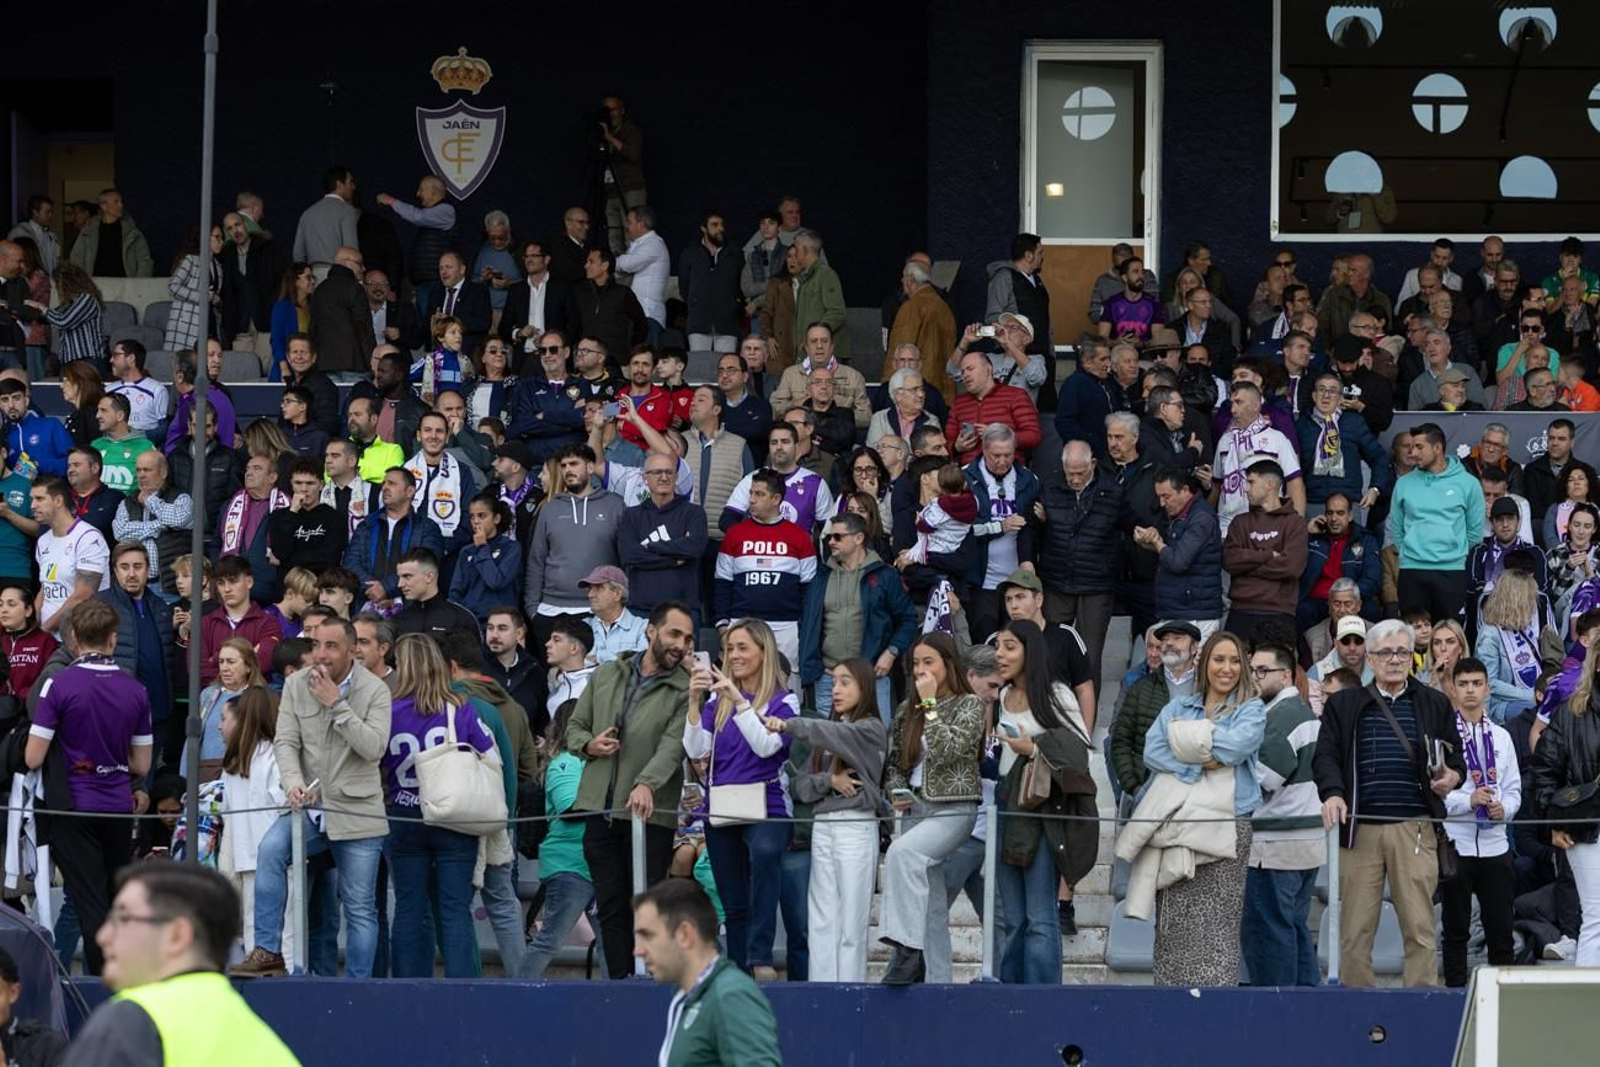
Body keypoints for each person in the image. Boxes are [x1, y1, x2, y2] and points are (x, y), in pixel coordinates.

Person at [231, 617, 391, 979]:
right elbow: (285, 742)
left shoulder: (376, 690)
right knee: (270, 850)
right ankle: (267, 951)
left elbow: (373, 748)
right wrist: (291, 782)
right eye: (316, 645)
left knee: (360, 908)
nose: (320, 654)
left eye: (331, 646)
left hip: (358, 812)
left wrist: (337, 704)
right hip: (308, 806)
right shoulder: (295, 684)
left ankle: (357, 985)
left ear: (352, 651)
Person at [1315, 618, 1466, 987]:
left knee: (1420, 927)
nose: (1395, 659)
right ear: (1370, 657)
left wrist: (1452, 778)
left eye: (1402, 651)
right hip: (1359, 829)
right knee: (1354, 931)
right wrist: (1333, 793)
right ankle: (1356, 1010)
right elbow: (1325, 756)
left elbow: (1457, 760)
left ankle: (1421, 1006)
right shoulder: (1345, 704)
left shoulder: (1434, 702)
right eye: (1386, 652)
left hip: (1414, 827)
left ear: (1411, 656)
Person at [1123, 630, 1265, 986]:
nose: (1227, 668)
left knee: (1218, 928)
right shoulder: (1177, 707)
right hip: (1177, 826)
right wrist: (1201, 761)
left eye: (1235, 660)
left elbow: (1238, 748)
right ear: (1205, 663)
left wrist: (1186, 745)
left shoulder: (1252, 709)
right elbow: (1152, 752)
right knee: (1174, 926)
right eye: (1219, 659)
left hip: (1227, 825)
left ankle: (1214, 1009)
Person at [566, 601, 696, 980]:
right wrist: (589, 745)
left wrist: (646, 783)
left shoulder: (685, 687)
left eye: (688, 639)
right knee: (609, 906)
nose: (681, 644)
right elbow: (575, 726)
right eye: (674, 633)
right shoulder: (607, 672)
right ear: (650, 631)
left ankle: (653, 985)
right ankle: (621, 987)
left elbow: (674, 745)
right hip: (599, 808)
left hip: (649, 814)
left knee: (648, 907)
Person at [25, 598, 152, 975]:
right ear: (114, 639)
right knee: (113, 900)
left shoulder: (58, 686)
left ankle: (100, 982)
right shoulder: (136, 690)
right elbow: (142, 764)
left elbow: (33, 756)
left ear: (75, 638)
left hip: (72, 807)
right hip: (116, 806)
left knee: (88, 902)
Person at [63, 865, 299, 1067]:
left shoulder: (132, 1019)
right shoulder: (261, 1040)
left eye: (122, 918)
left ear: (177, 935)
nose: (102, 936)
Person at [758, 657, 885, 983]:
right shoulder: (828, 734)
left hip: (856, 826)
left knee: (851, 924)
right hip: (823, 827)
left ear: (865, 687)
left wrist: (790, 725)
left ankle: (850, 995)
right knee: (821, 919)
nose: (836, 689)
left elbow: (829, 732)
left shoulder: (869, 728)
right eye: (835, 682)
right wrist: (829, 781)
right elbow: (801, 785)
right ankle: (824, 992)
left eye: (846, 682)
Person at [379, 634, 499, 978]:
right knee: (454, 910)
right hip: (454, 816)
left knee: (408, 909)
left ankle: (406, 987)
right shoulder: (460, 707)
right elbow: (490, 758)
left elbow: (377, 761)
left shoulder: (389, 711)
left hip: (404, 816)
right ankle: (463, 992)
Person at [682, 620, 795, 979]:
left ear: (764, 652)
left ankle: (761, 956)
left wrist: (739, 701)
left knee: (764, 855)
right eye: (730, 649)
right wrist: (694, 700)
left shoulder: (784, 699)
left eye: (743, 647)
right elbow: (695, 748)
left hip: (767, 804)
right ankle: (739, 970)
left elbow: (766, 747)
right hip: (722, 805)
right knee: (732, 899)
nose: (734, 655)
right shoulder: (719, 699)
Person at [991, 620, 1096, 985]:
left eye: (1009, 647)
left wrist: (1033, 748)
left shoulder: (1056, 694)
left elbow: (1080, 752)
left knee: (1039, 918)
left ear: (1029, 651)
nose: (1000, 655)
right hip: (1005, 809)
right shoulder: (1000, 696)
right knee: (1013, 920)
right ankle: (1012, 997)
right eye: (999, 647)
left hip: (1041, 814)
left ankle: (1041, 1000)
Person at [879, 633, 984, 985]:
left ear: (948, 665)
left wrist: (929, 706)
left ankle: (906, 949)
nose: (921, 670)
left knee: (900, 854)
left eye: (929, 662)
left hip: (955, 808)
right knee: (933, 905)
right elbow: (895, 764)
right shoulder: (904, 710)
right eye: (916, 663)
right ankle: (939, 982)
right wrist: (898, 792)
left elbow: (947, 750)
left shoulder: (969, 704)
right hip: (915, 808)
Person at [633, 877, 781, 1067]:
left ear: (685, 934)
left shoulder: (731, 995)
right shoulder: (690, 996)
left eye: (648, 935)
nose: (638, 950)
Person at [1241, 642, 1322, 987]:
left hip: (1277, 844)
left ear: (1286, 674)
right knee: (1292, 925)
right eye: (1253, 670)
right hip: (1301, 840)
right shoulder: (1296, 711)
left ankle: (1278, 1010)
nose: (1255, 678)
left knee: (1268, 931)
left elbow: (1262, 779)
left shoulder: (1282, 715)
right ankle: (1305, 1004)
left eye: (1263, 671)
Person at [1438, 657, 1521, 987]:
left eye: (1476, 683)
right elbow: (1436, 795)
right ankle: (1455, 998)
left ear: (1487, 688)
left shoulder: (1502, 736)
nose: (1470, 690)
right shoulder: (1444, 738)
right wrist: (1467, 801)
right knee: (1455, 930)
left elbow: (1515, 788)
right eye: (1463, 684)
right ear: (1454, 690)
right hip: (1457, 844)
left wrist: (1507, 810)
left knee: (1501, 930)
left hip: (1496, 845)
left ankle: (1505, 1002)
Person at [1531, 639, 1600, 967]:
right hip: (1588, 828)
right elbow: (1543, 769)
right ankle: (1589, 1013)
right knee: (1597, 917)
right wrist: (1551, 823)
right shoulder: (1572, 712)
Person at [1392, 423, 1485, 624]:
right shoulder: (1403, 483)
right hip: (1412, 570)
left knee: (1450, 636)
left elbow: (1475, 533)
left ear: (1437, 448)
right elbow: (1396, 529)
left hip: (1451, 572)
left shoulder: (1468, 484)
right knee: (1413, 637)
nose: (1412, 452)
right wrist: (1411, 551)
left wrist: (1452, 553)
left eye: (1419, 447)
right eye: (1410, 447)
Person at [1109, 620, 1201, 795]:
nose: (1169, 644)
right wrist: (1134, 787)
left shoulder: (1207, 688)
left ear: (1194, 648)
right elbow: (1120, 741)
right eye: (1165, 639)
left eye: (1178, 638)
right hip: (1148, 787)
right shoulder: (1140, 687)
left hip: (1196, 791)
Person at [1221, 460, 1308, 642]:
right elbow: (1229, 560)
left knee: (1275, 669)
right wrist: (1267, 555)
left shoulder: (1295, 523)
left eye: (1251, 482)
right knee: (1236, 669)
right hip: (1240, 611)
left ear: (1269, 485)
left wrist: (1247, 566)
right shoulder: (1240, 522)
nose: (1245, 489)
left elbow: (1292, 567)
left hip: (1279, 612)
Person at [618, 450, 710, 620]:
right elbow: (629, 555)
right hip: (640, 612)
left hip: (684, 611)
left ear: (676, 478)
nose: (664, 477)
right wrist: (674, 558)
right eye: (657, 472)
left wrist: (651, 547)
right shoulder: (632, 515)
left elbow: (694, 548)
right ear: (645, 479)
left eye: (669, 472)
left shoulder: (694, 513)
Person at [344, 467, 446, 614]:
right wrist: (373, 590)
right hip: (367, 608)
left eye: (391, 484)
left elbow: (426, 565)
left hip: (411, 610)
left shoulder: (427, 528)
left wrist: (386, 588)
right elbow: (351, 563)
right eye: (384, 484)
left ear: (410, 492)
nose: (385, 488)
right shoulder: (367, 524)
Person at [1136, 470, 1224, 638]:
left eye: (1166, 496)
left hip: (1196, 616)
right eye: (1159, 497)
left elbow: (1178, 562)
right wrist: (1148, 542)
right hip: (1178, 610)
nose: (1162, 503)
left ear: (1184, 490)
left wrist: (1157, 543)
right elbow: (1171, 553)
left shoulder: (1201, 518)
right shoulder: (1179, 516)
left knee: (1195, 664)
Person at [32, 476, 110, 636]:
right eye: (32, 499)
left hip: (80, 638)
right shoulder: (43, 541)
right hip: (48, 639)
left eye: (39, 499)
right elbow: (45, 588)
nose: (33, 505)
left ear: (58, 501)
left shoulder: (88, 537)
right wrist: (31, 627)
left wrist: (45, 630)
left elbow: (83, 595)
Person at [1476, 568, 1550, 725]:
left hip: (1532, 693)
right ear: (1516, 600)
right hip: (1502, 706)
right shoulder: (1490, 635)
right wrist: (1529, 695)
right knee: (1542, 708)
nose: (1533, 603)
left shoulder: (1522, 626)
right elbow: (1489, 682)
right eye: (1529, 598)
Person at [197, 555, 282, 686]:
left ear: (249, 582)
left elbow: (264, 663)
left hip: (254, 701)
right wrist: (248, 658)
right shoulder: (204, 624)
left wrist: (215, 658)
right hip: (215, 701)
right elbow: (200, 670)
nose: (226, 589)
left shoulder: (269, 623)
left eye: (233, 581)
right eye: (221, 583)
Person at [307, 246, 376, 375]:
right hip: (353, 362)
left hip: (323, 363)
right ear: (347, 262)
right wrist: (372, 361)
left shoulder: (319, 290)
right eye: (360, 263)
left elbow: (313, 329)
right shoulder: (355, 288)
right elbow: (363, 329)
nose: (364, 268)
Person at [391, 547, 480, 639]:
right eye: (400, 577)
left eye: (407, 576)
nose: (400, 584)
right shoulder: (397, 621)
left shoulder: (461, 618)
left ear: (429, 577)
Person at [65, 187, 152, 278]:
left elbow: (145, 261)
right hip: (95, 286)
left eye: (121, 202)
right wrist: (83, 284)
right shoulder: (88, 232)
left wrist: (138, 284)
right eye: (116, 202)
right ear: (104, 206)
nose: (121, 205)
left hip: (126, 287)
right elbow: (76, 260)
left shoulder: (132, 233)